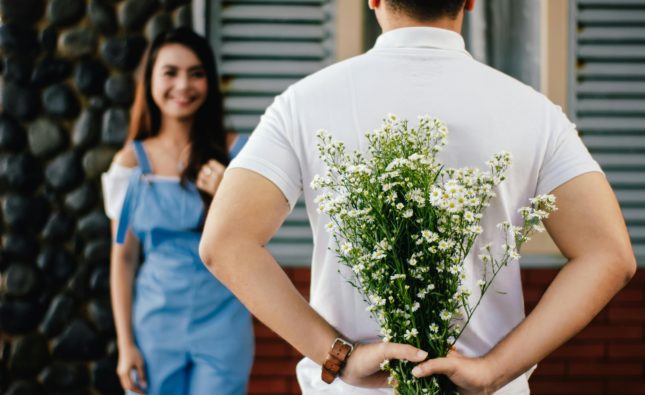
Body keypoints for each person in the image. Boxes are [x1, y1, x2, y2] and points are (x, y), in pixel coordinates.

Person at [198, 1, 636, 394]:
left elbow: (225, 243)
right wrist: (494, 371)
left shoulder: (304, 103)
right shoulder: (534, 112)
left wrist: (339, 357)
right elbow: (610, 255)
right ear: (470, 1)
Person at [102, 27, 252, 395]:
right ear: (150, 79)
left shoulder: (240, 155)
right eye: (170, 72)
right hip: (154, 327)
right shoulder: (129, 166)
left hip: (224, 323)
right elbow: (123, 258)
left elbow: (257, 242)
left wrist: (226, 197)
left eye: (196, 73)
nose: (183, 85)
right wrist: (126, 345)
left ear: (210, 82)